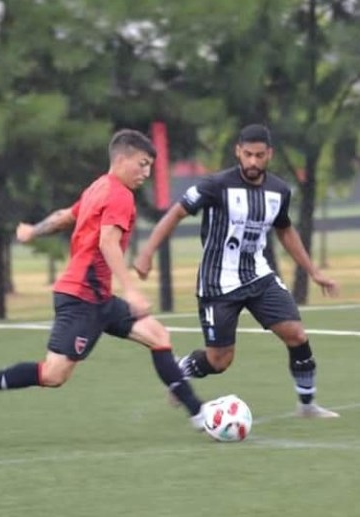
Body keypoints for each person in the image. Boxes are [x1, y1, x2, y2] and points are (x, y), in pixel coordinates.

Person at [0, 129, 206, 430]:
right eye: (142, 164)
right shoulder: (119, 195)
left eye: (149, 167)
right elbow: (108, 243)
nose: (146, 173)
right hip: (81, 298)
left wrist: (33, 231)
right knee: (53, 375)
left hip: (99, 298)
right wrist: (131, 291)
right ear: (121, 159)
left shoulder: (98, 187)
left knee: (158, 336)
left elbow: (65, 217)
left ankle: (199, 414)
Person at [133, 124, 340, 418]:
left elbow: (285, 230)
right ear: (238, 152)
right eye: (248, 154)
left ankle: (307, 406)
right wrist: (146, 252)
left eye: (259, 155)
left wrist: (313, 271)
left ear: (269, 154)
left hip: (259, 276)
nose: (253, 161)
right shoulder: (216, 185)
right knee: (219, 361)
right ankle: (183, 368)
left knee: (296, 334)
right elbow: (176, 213)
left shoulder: (279, 191)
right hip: (218, 284)